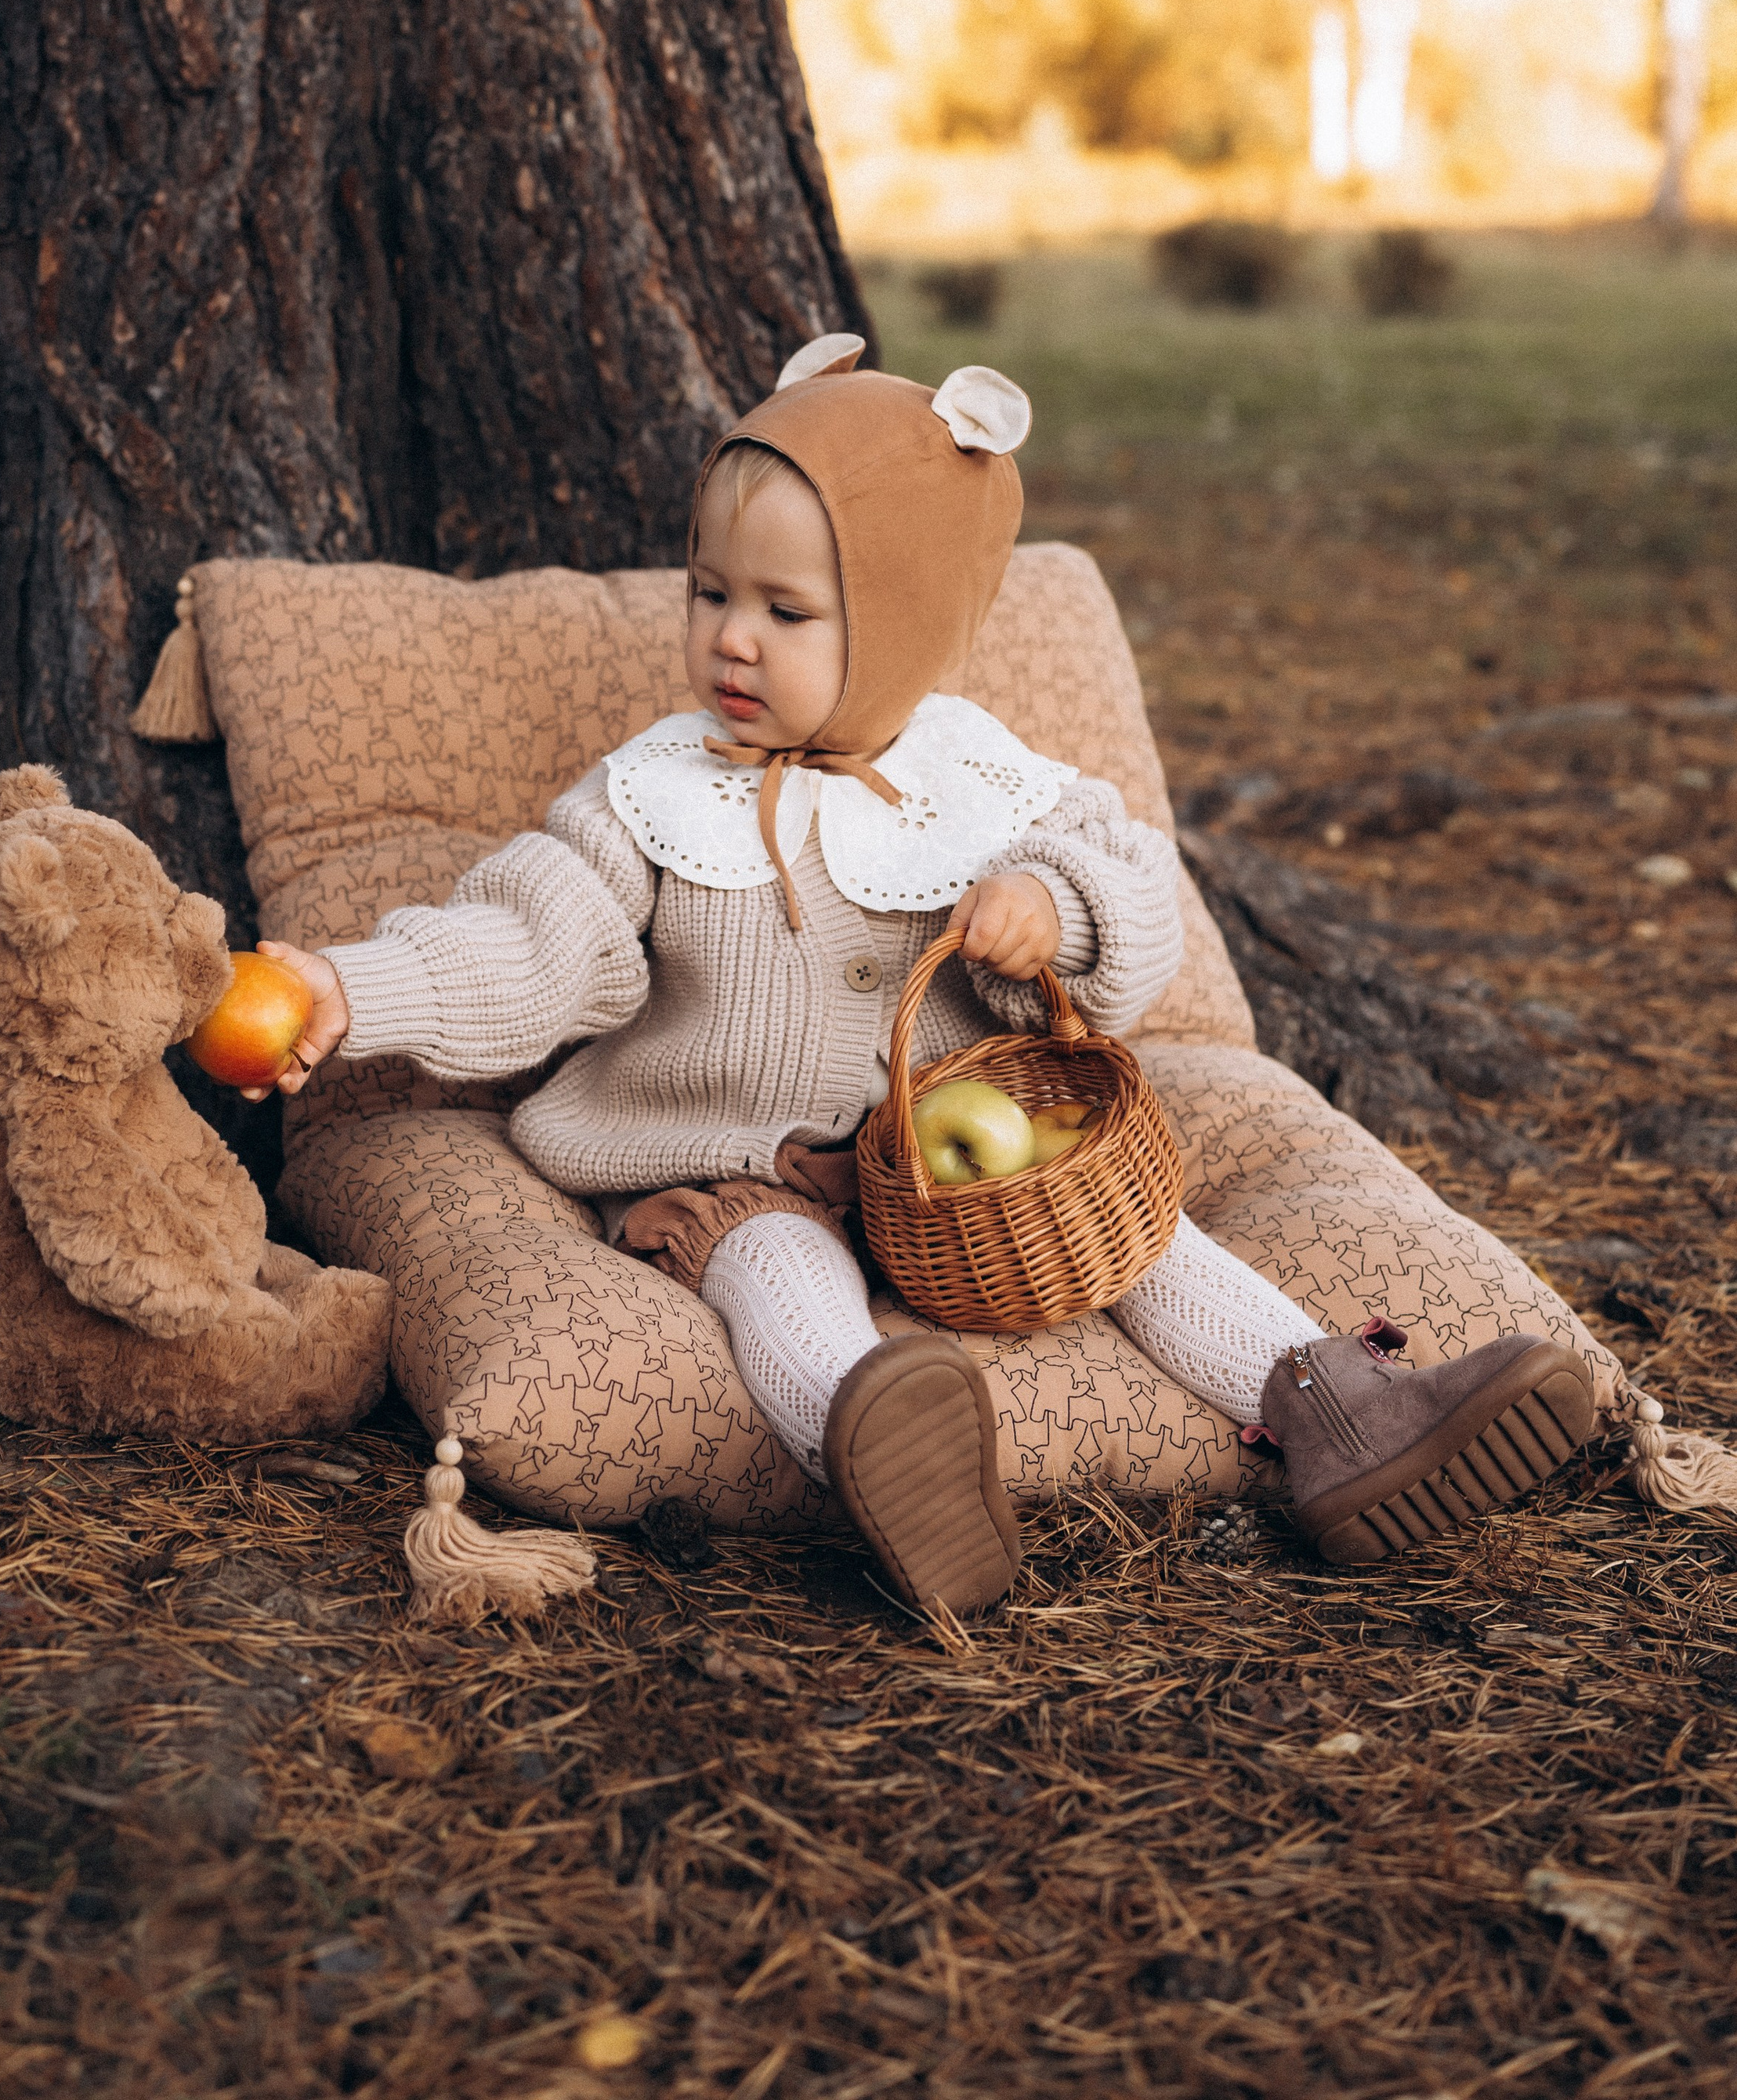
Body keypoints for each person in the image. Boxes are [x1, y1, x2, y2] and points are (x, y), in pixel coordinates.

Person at [253, 337, 1591, 1612]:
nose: (732, 640)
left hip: (970, 1172)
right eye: (710, 593)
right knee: (776, 1269)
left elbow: (1132, 898)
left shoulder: (982, 777)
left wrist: (1051, 913)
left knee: (1139, 1238)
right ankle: (894, 1461)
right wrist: (353, 986)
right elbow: (530, 937)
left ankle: (1343, 1416)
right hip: (737, 1167)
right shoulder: (653, 794)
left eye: (787, 610)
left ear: (902, 622)